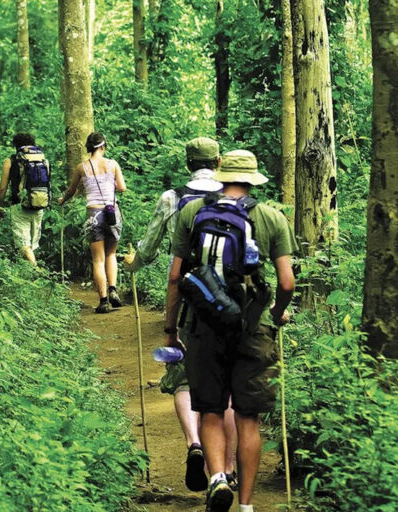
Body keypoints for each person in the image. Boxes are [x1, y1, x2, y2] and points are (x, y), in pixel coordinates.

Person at [164, 149, 296, 512]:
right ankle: (248, 505)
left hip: (203, 326)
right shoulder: (271, 217)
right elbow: (287, 282)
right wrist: (276, 313)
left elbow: (176, 277)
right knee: (247, 417)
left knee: (210, 410)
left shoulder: (191, 212)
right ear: (253, 179)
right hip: (253, 328)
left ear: (220, 174)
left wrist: (170, 330)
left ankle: (217, 477)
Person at [122, 137, 240, 492]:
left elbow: (151, 245)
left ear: (187, 162)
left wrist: (134, 265)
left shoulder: (173, 198)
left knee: (184, 377)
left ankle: (195, 443)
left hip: (190, 297)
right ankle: (229, 469)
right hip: (231, 300)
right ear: (218, 161)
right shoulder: (237, 196)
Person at [58, 132, 126, 313]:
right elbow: (122, 187)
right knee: (111, 255)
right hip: (112, 212)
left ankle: (103, 301)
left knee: (98, 259)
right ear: (103, 147)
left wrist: (62, 199)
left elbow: (71, 191)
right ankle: (113, 290)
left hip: (93, 213)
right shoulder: (112, 164)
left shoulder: (82, 167)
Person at [0, 132, 47, 265]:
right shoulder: (42, 160)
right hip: (39, 204)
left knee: (23, 244)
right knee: (31, 244)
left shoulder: (10, 161)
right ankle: (31, 275)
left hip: (19, 206)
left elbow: (2, 188)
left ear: (16, 145)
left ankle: (36, 271)